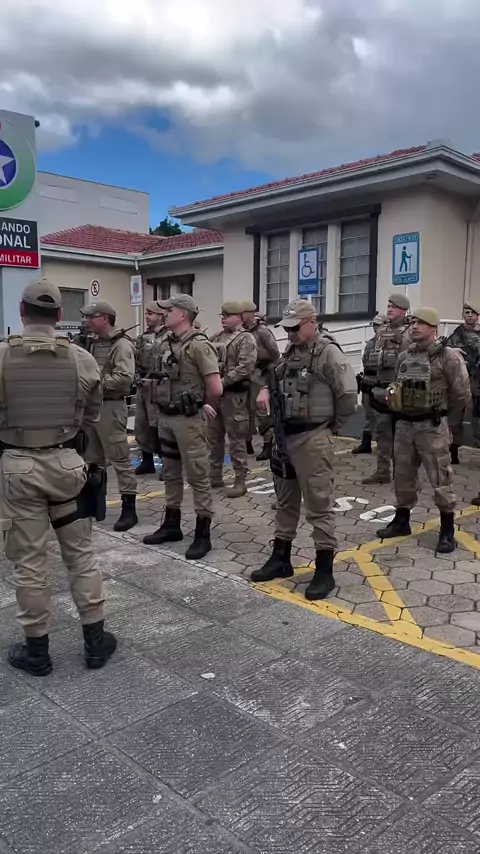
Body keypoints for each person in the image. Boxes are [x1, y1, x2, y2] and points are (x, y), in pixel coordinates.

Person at [0, 278, 116, 676]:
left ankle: (37, 652)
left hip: (17, 469)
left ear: (22, 312)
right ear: (59, 314)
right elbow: (92, 415)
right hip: (67, 465)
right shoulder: (81, 358)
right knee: (81, 557)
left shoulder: (2, 356)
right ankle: (95, 643)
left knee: (30, 564)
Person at [250, 299, 357, 600]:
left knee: (319, 506)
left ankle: (324, 569)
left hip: (313, 438)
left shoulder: (328, 352)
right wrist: (265, 389)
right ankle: (281, 558)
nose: (290, 333)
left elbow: (348, 396)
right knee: (285, 502)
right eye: (286, 329)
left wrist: (330, 427)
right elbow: (276, 378)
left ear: (312, 322)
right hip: (285, 436)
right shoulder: (291, 351)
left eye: (295, 328)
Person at [376, 308, 471, 553]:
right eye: (413, 322)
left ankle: (447, 528)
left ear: (433, 328)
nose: (415, 327)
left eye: (421, 323)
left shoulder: (448, 356)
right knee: (403, 474)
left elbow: (461, 394)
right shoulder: (405, 356)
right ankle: (402, 519)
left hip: (432, 426)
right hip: (405, 424)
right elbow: (397, 383)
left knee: (440, 477)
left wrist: (442, 417)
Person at [143, 294, 222, 559]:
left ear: (184, 315)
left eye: (170, 310)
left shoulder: (199, 345)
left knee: (198, 475)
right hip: (166, 416)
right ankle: (171, 524)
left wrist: (203, 405)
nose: (165, 314)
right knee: (170, 472)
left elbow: (216, 387)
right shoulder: (167, 341)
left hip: (188, 419)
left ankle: (203, 532)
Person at [79, 300, 138, 532]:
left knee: (120, 458)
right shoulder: (93, 343)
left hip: (111, 407)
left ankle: (129, 509)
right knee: (92, 458)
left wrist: (93, 384)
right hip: (93, 407)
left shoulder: (121, 345)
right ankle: (95, 504)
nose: (85, 321)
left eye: (90, 317)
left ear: (104, 318)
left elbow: (124, 379)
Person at [208, 302, 258, 497]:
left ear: (239, 317)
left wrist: (221, 382)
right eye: (222, 315)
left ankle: (240, 480)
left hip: (234, 396)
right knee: (214, 438)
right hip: (217, 396)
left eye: (228, 316)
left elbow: (245, 367)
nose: (223, 319)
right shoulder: (217, 337)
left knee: (236, 440)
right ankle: (214, 475)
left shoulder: (246, 338)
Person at [362, 293, 411, 483]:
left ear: (403, 310)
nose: (389, 309)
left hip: (402, 391)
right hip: (382, 389)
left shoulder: (410, 332)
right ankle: (382, 471)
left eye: (393, 307)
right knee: (382, 433)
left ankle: (402, 474)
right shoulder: (381, 331)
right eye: (388, 306)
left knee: (401, 436)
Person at [241, 300, 280, 461]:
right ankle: (247, 441)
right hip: (248, 373)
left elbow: (275, 353)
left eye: (243, 312)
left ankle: (268, 444)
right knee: (246, 409)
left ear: (251, 313)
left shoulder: (262, 331)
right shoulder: (243, 331)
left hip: (262, 373)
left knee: (262, 410)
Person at [134, 300, 167, 476]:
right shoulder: (144, 336)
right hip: (143, 386)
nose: (147, 316)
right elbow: (137, 359)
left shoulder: (168, 337)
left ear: (161, 316)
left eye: (150, 313)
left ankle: (166, 463)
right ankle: (147, 461)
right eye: (146, 313)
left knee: (158, 427)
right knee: (142, 425)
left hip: (159, 387)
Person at [446, 301, 480, 463]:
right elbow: (445, 352)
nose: (470, 315)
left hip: (478, 382)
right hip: (460, 380)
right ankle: (453, 451)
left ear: (478, 316)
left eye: (473, 313)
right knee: (455, 416)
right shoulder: (456, 335)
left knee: (477, 418)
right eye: (467, 312)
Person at [351, 313, 385, 455]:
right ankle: (366, 443)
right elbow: (365, 361)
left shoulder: (389, 344)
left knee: (382, 417)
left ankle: (384, 445)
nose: (376, 328)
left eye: (379, 325)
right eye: (374, 325)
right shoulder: (370, 343)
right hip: (368, 382)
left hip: (381, 384)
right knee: (369, 415)